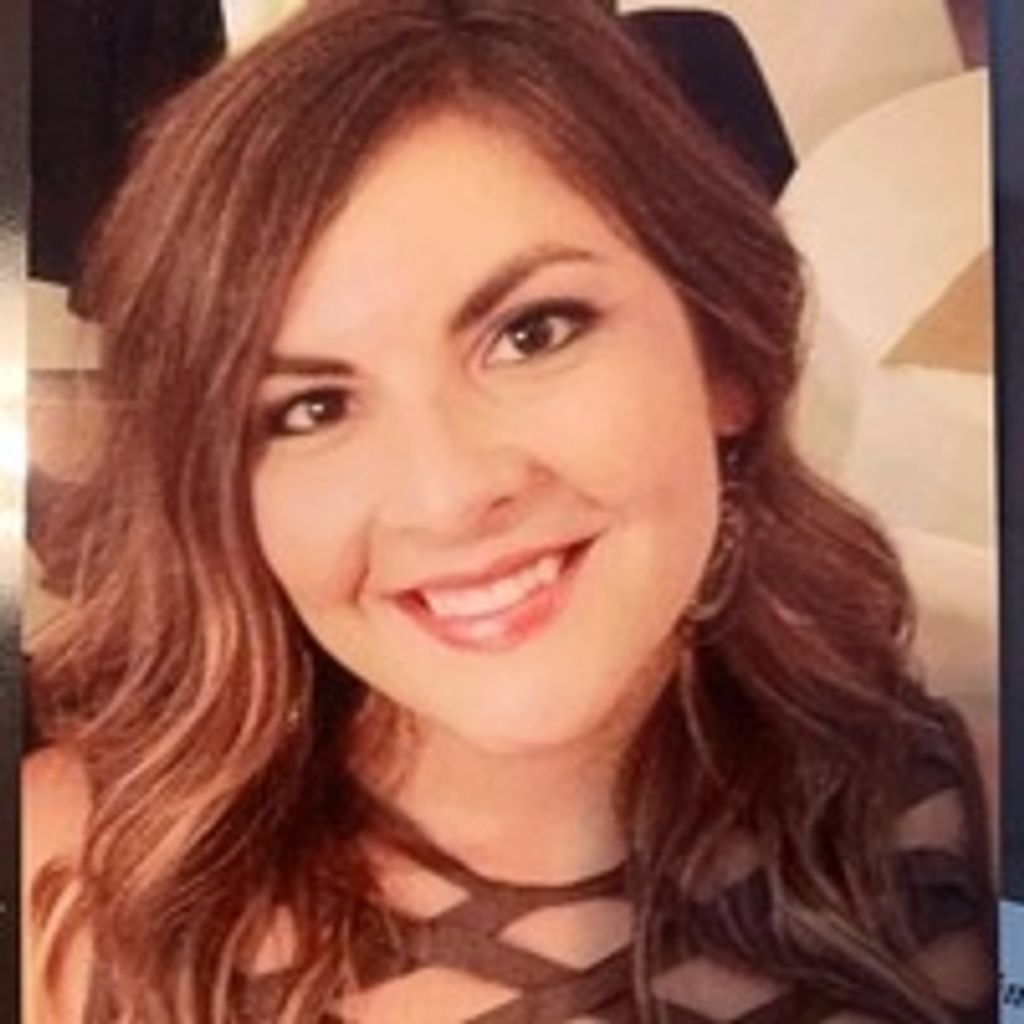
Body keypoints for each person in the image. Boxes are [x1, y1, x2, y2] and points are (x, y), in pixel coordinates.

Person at [23, 2, 994, 1021]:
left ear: (724, 358)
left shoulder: (967, 820)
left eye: (533, 333)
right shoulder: (72, 894)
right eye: (311, 408)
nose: (446, 494)